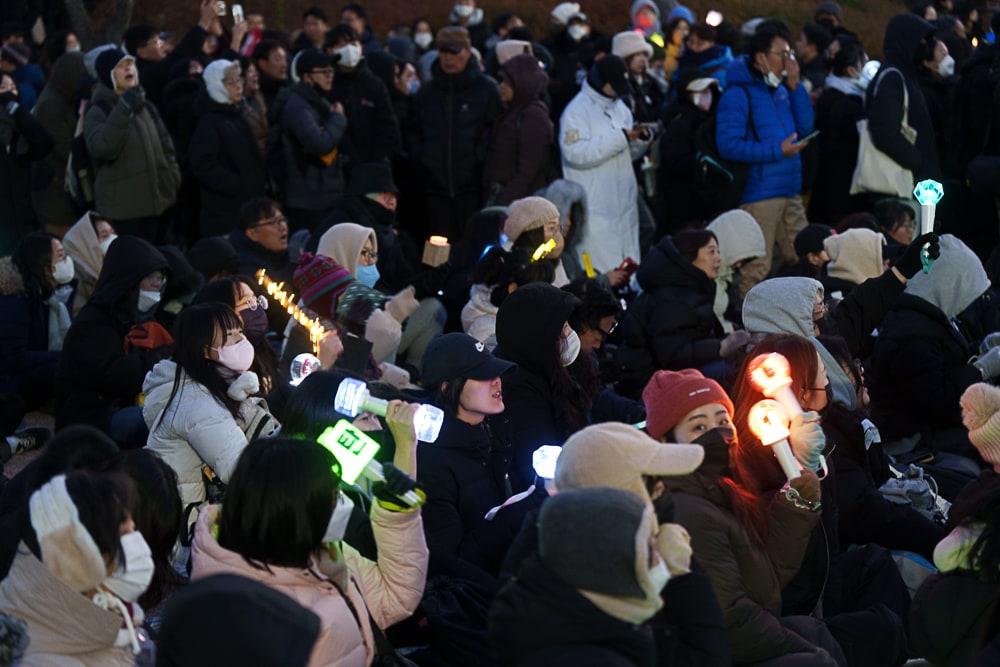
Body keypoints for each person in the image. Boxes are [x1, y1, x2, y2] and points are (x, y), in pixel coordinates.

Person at [641, 368, 842, 665]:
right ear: (668, 443)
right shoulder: (687, 511)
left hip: (746, 631)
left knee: (815, 632)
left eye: (723, 421)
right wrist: (798, 648)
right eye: (698, 428)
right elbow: (728, 619)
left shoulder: (719, 491)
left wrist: (794, 508)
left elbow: (765, 578)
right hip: (718, 651)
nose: (718, 435)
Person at [190, 433, 428, 667]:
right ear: (297, 507)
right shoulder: (254, 616)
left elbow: (393, 598)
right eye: (333, 495)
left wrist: (395, 515)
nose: (342, 503)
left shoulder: (317, 546)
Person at [490, 487, 671, 666]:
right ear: (609, 560)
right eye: (649, 548)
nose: (658, 560)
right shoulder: (591, 655)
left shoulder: (552, 620)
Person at [0, 471, 155, 664]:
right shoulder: (42, 660)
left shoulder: (104, 623)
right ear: (78, 559)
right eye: (125, 536)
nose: (139, 546)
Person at [417, 332, 534, 578]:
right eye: (483, 375)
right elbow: (451, 560)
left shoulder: (495, 428)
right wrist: (515, 514)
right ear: (447, 387)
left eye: (496, 372)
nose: (497, 381)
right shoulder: (431, 462)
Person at [143, 303, 279, 514]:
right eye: (229, 334)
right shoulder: (195, 402)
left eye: (239, 331)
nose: (240, 339)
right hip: (187, 529)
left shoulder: (215, 388)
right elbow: (240, 469)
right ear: (205, 350)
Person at [868, 234, 993, 455]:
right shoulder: (913, 333)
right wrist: (982, 369)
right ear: (949, 285)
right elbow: (936, 404)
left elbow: (943, 364)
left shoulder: (925, 316)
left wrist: (981, 349)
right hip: (916, 440)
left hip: (929, 429)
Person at [717, 20, 814, 296]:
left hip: (789, 190)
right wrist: (777, 151)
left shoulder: (782, 90)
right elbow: (729, 145)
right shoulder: (738, 93)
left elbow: (805, 129)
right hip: (759, 195)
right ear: (761, 57)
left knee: (806, 257)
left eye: (790, 54)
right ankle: (746, 331)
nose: (788, 61)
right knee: (757, 267)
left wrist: (796, 88)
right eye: (782, 54)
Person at [55, 236, 171, 441]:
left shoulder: (136, 316)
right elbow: (115, 377)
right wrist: (160, 357)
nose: (157, 284)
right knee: (159, 418)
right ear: (130, 279)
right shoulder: (93, 322)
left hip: (119, 409)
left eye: (161, 278)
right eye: (152, 276)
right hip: (91, 422)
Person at [618, 229, 750, 395]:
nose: (718, 258)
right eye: (711, 252)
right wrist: (721, 347)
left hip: (675, 372)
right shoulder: (670, 297)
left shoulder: (691, 288)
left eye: (718, 252)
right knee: (732, 373)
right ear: (690, 256)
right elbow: (671, 354)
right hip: (649, 381)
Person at [559, 54, 651, 274]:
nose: (618, 91)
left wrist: (640, 140)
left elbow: (628, 154)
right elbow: (574, 153)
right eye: (614, 86)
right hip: (595, 204)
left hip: (623, 203)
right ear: (600, 81)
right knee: (598, 267)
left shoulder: (621, 109)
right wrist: (620, 138)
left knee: (628, 266)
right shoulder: (576, 111)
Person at [84, 48, 180, 244]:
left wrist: (172, 178)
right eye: (121, 65)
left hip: (159, 204)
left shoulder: (145, 105)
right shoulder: (98, 109)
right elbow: (102, 148)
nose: (129, 68)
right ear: (108, 75)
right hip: (125, 213)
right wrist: (123, 108)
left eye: (131, 63)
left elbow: (166, 146)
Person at [414, 26, 502, 239]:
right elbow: (413, 131)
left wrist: (479, 159)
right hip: (435, 191)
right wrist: (423, 158)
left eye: (454, 52)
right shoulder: (427, 92)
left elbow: (496, 132)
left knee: (475, 251)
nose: (448, 59)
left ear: (468, 51)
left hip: (473, 190)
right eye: (444, 52)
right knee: (439, 255)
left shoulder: (486, 89)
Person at [495, 282, 583, 489]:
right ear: (539, 334)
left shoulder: (542, 365)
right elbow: (540, 468)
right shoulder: (517, 388)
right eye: (562, 327)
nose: (570, 333)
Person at [189, 59, 267, 237]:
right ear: (216, 86)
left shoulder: (235, 113)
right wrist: (239, 184)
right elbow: (203, 165)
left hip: (247, 208)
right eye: (231, 82)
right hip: (226, 214)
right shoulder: (209, 121)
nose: (238, 86)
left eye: (239, 80)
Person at [0, 232, 75, 412]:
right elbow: (15, 357)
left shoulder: (52, 296)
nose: (66, 261)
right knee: (65, 369)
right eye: (59, 256)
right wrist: (62, 355)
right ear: (42, 263)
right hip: (11, 386)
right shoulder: (15, 300)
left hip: (27, 374)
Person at [866, 13, 942, 187]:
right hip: (901, 186)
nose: (925, 46)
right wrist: (918, 161)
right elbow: (884, 131)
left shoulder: (904, 75)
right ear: (906, 41)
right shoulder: (893, 77)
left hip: (910, 183)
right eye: (921, 41)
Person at [278, 49, 347, 232]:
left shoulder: (318, 102)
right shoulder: (299, 107)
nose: (330, 76)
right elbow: (319, 145)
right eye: (324, 72)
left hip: (323, 195)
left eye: (331, 71)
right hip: (308, 200)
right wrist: (338, 119)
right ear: (307, 77)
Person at [808, 39, 869, 225]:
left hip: (833, 186)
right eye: (864, 66)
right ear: (851, 71)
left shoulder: (833, 95)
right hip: (838, 189)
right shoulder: (844, 103)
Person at [483, 53, 553, 207]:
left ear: (521, 82)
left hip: (518, 202)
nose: (501, 86)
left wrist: (504, 202)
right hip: (503, 194)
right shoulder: (511, 111)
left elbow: (528, 169)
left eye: (507, 82)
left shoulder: (533, 116)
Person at [325, 24, 400, 166]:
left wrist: (378, 159)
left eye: (353, 44)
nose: (350, 49)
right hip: (336, 166)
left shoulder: (374, 84)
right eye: (343, 44)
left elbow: (387, 125)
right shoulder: (327, 84)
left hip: (371, 166)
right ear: (330, 50)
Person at [29, 50, 85, 236]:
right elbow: (61, 146)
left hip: (61, 184)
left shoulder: (62, 98)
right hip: (54, 188)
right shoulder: (50, 105)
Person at [0, 71, 51, 257]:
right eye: (3, 88)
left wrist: (17, 111)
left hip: (22, 214)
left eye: (14, 88)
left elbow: (43, 143)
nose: (10, 94)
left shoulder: (19, 129)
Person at [62, 212, 116, 316]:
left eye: (112, 233)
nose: (113, 238)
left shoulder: (114, 264)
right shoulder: (73, 278)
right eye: (105, 235)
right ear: (86, 243)